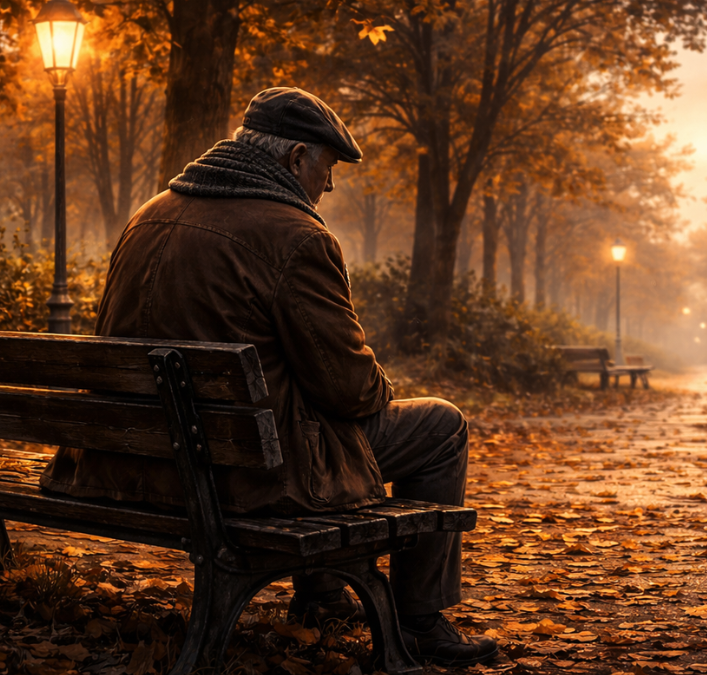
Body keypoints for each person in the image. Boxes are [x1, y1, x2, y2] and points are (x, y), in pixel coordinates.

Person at [39, 87, 498, 666]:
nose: (327, 186)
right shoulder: (295, 236)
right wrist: (376, 381)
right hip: (240, 476)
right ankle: (420, 622)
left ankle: (324, 598)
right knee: (442, 426)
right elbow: (349, 389)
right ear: (294, 158)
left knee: (300, 417)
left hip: (128, 459)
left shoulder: (148, 215)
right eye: (326, 168)